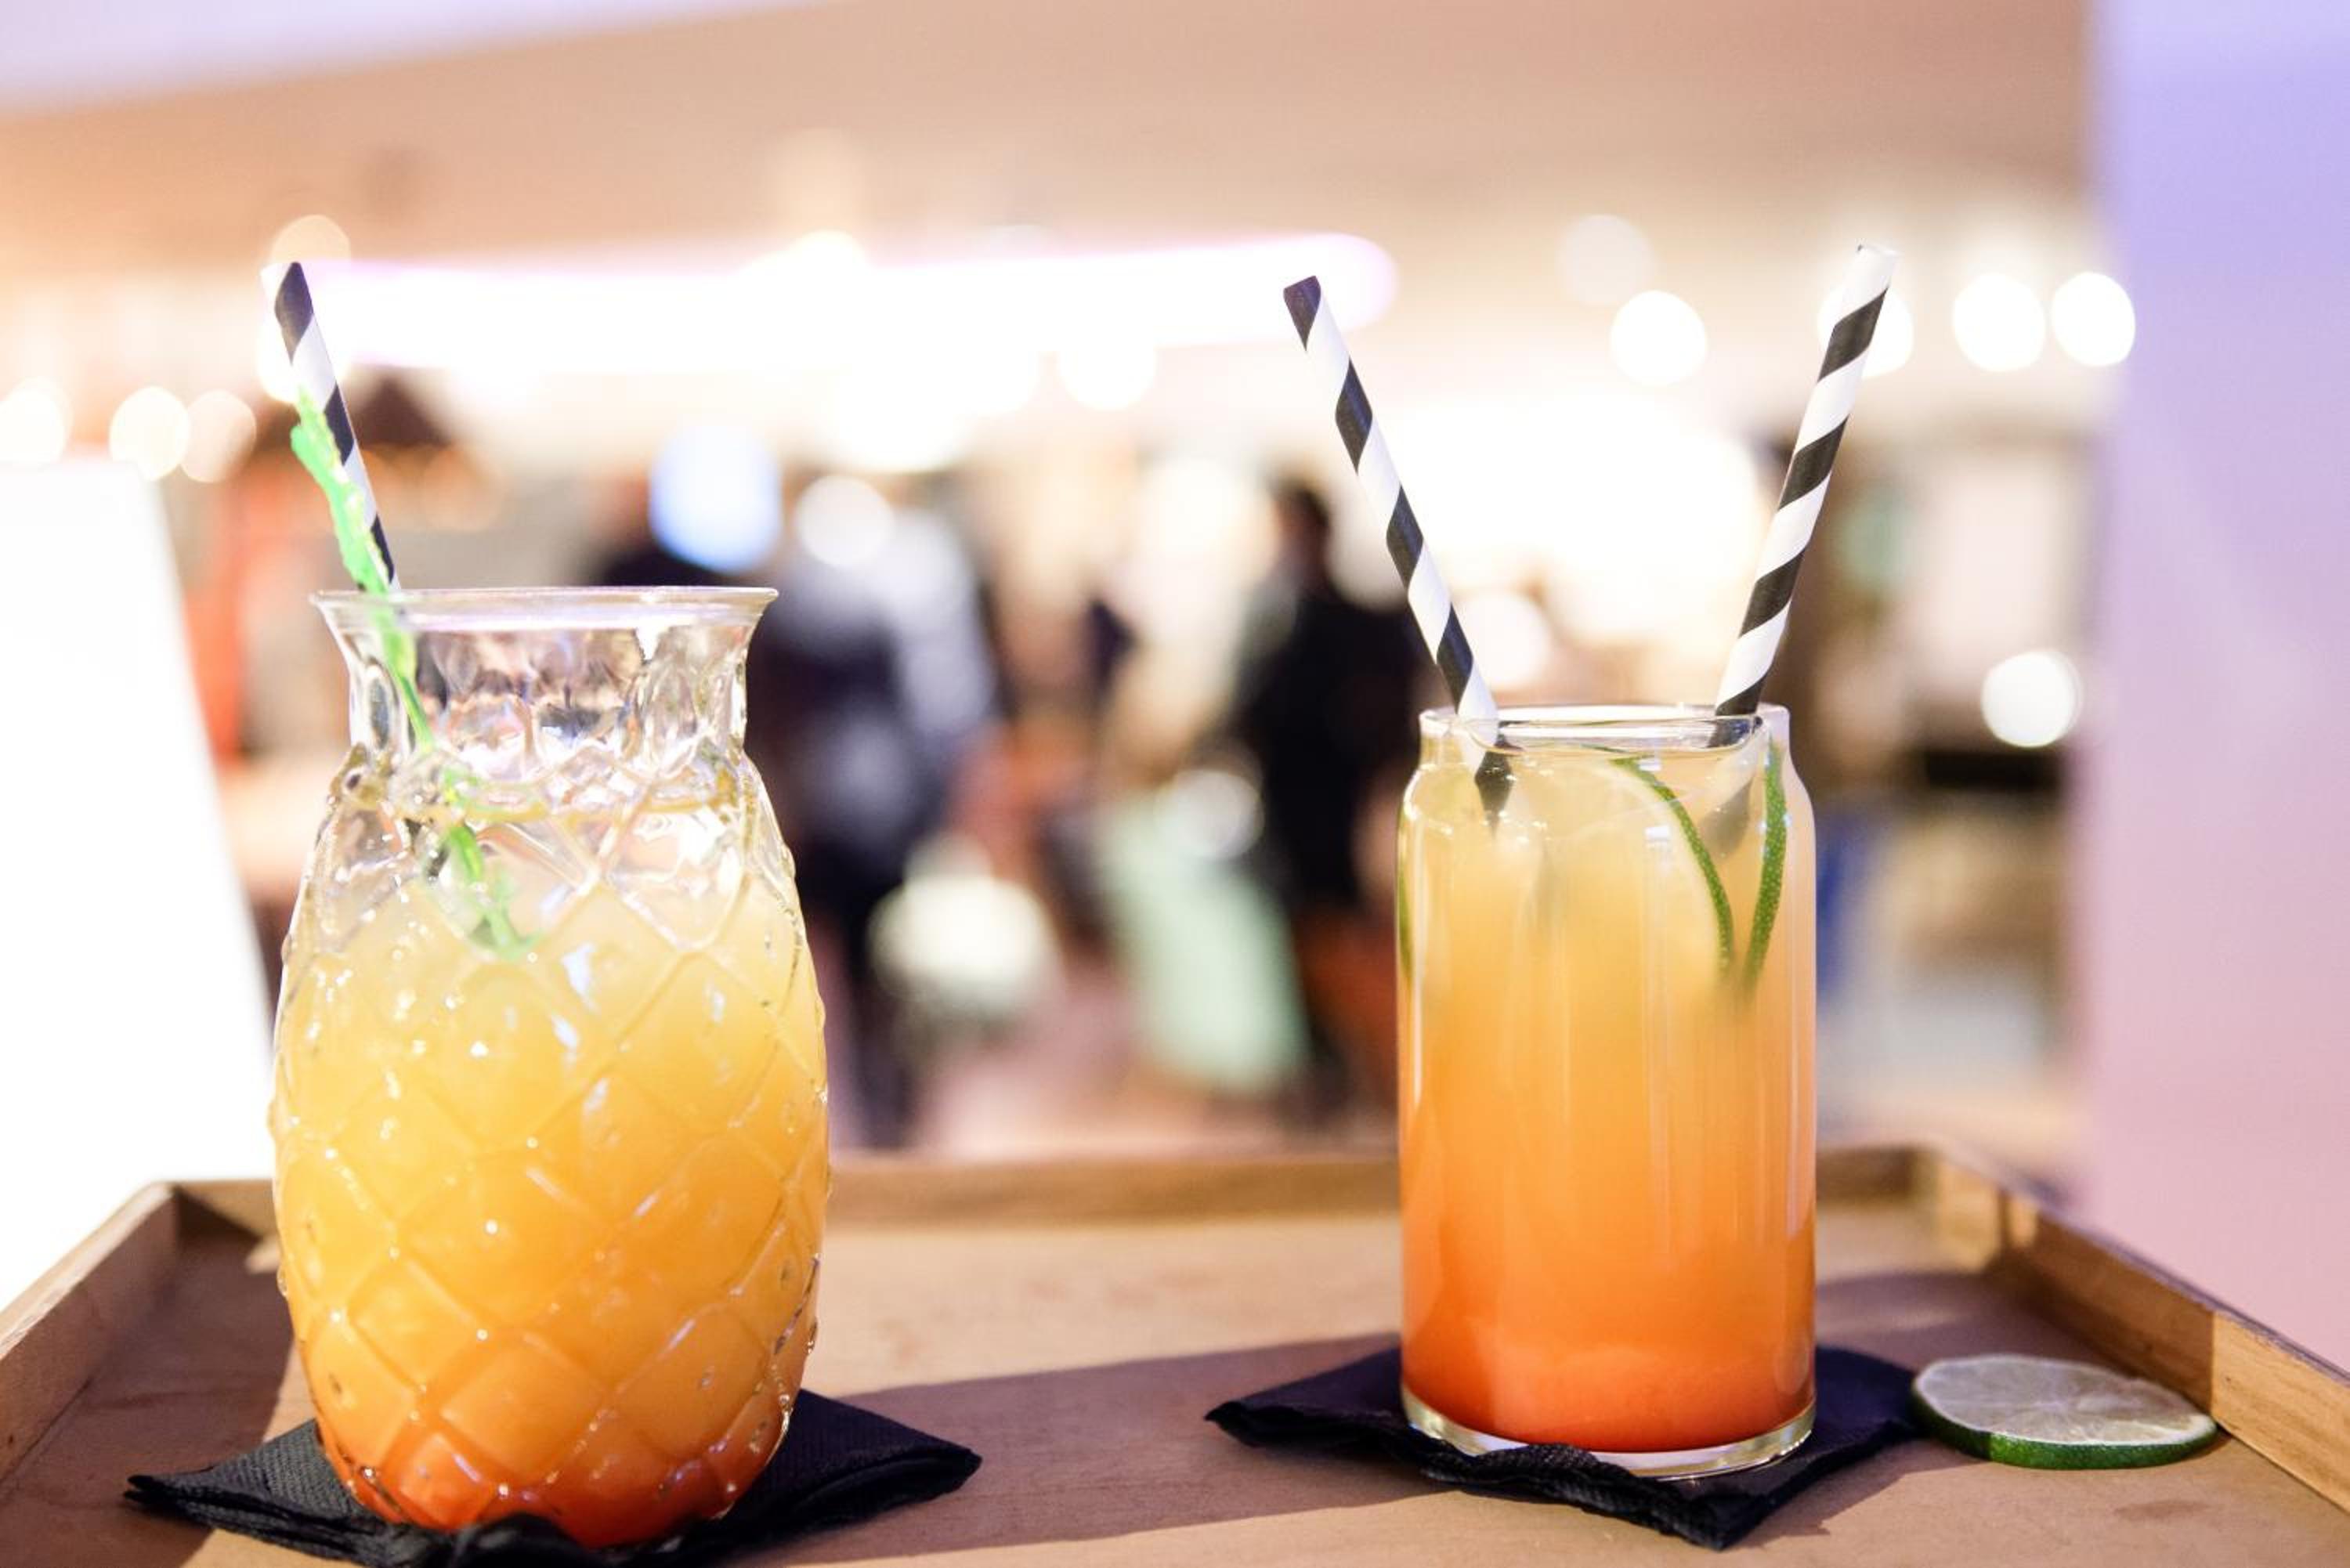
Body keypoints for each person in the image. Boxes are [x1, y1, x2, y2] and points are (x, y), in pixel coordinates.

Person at [1231, 478, 1426, 1111]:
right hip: (1294, 817)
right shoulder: (1276, 616)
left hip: (1334, 817)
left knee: (1340, 949)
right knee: (1306, 949)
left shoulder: (1339, 622)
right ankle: (1330, 1072)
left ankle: (1360, 1072)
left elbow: (1382, 723)